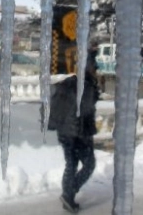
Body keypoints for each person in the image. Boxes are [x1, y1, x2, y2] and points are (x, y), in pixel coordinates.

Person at [48, 47, 101, 213]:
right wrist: (83, 135)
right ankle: (69, 194)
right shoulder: (85, 85)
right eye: (94, 67)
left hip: (66, 131)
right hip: (76, 133)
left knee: (71, 163)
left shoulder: (72, 82)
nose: (96, 70)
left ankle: (68, 195)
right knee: (87, 164)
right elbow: (84, 111)